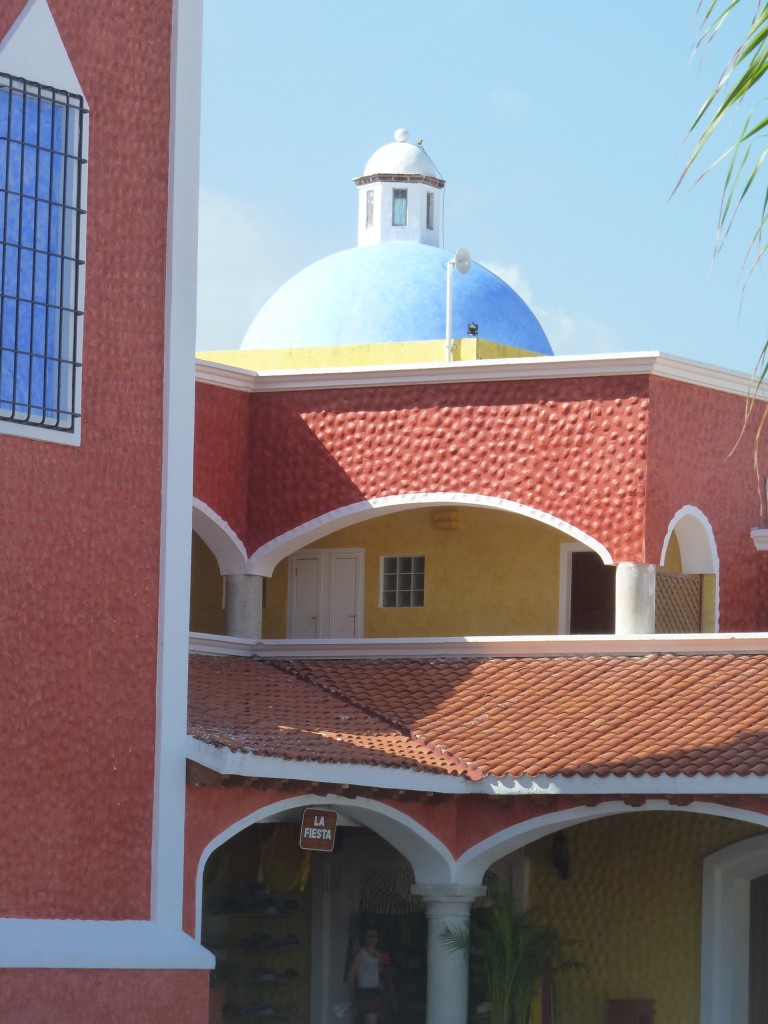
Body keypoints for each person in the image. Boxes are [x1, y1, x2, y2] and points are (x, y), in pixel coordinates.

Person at [346, 927, 382, 1024]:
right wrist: (354, 991)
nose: (372, 938)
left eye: (374, 936)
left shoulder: (378, 955)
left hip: (376, 991)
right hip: (365, 991)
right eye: (369, 936)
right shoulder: (360, 954)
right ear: (365, 938)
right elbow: (350, 974)